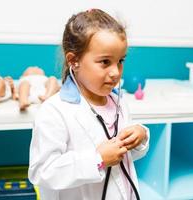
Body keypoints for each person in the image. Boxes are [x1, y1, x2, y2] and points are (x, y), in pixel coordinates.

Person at [28, 9, 149, 200]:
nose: (116, 72)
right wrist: (97, 159)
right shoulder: (55, 111)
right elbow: (43, 172)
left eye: (120, 61)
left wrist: (139, 136)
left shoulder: (117, 102)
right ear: (74, 61)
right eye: (105, 62)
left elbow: (123, 158)